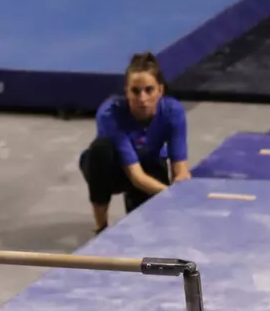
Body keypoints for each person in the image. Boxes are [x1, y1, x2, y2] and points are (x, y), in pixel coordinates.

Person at [79, 52, 191, 232]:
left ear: (160, 90)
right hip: (114, 170)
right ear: (126, 91)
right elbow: (135, 176)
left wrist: (181, 188)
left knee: (150, 229)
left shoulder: (173, 111)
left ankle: (135, 203)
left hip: (149, 165)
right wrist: (171, 195)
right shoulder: (110, 113)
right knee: (100, 150)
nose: (142, 98)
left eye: (149, 90)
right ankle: (101, 227)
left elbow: (180, 169)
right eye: (135, 91)